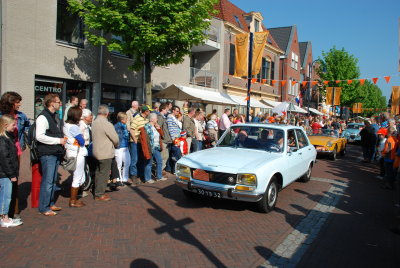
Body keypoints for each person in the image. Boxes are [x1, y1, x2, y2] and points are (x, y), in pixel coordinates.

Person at [0, 91, 30, 221]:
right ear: (10, 103)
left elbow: (28, 129)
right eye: (17, 102)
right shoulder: (2, 116)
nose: (20, 104)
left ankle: (13, 209)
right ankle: (5, 212)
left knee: (13, 179)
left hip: (16, 150)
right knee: (4, 179)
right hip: (4, 149)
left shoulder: (21, 116)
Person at [36, 93, 66, 216]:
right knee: (47, 181)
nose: (60, 104)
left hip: (55, 152)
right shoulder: (43, 117)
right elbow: (39, 136)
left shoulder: (54, 117)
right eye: (58, 102)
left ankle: (50, 203)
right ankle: (44, 207)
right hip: (47, 153)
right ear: (51, 103)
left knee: (52, 181)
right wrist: (58, 140)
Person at [91, 104, 119, 201]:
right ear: (107, 113)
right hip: (105, 152)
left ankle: (97, 191)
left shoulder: (94, 122)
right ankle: (99, 194)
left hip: (96, 151)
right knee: (104, 174)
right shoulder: (106, 124)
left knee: (98, 172)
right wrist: (115, 145)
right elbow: (115, 139)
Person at [0, 115, 22, 227]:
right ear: (5, 125)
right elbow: (5, 159)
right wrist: (11, 174)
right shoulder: (3, 140)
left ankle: (6, 217)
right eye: (13, 124)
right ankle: (4, 218)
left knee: (6, 195)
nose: (15, 126)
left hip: (6, 173)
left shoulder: (8, 138)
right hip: (5, 174)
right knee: (5, 196)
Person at [63, 106, 88, 208]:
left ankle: (74, 198)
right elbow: (81, 141)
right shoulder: (74, 127)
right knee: (77, 177)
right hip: (77, 153)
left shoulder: (66, 125)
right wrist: (82, 137)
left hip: (71, 151)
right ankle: (73, 200)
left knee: (78, 176)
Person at [140, 113, 166, 183]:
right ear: (152, 119)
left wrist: (159, 128)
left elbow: (162, 135)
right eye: (156, 118)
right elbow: (144, 140)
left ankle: (159, 176)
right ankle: (147, 178)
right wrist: (146, 150)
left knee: (159, 161)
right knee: (149, 163)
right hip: (150, 148)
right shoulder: (146, 127)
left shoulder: (155, 126)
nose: (157, 119)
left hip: (156, 147)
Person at [132, 105, 151, 182]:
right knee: (135, 159)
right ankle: (133, 175)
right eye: (149, 111)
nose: (150, 112)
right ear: (146, 112)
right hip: (135, 142)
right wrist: (134, 140)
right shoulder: (137, 118)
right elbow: (131, 129)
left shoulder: (146, 119)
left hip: (143, 142)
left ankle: (140, 175)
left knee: (141, 159)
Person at [114, 112, 131, 185]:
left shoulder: (124, 125)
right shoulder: (117, 126)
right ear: (121, 119)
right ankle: (119, 179)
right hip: (119, 147)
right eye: (126, 118)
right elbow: (118, 137)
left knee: (127, 162)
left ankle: (125, 178)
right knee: (119, 164)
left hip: (125, 146)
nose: (127, 119)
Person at [166, 105, 181, 172]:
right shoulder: (170, 118)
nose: (178, 112)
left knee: (175, 153)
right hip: (174, 138)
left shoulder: (174, 117)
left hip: (177, 137)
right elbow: (170, 128)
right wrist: (173, 138)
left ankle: (173, 169)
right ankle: (174, 170)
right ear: (173, 111)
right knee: (176, 153)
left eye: (178, 111)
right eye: (177, 111)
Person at [157, 103, 172, 171]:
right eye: (166, 109)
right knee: (163, 156)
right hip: (163, 140)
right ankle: (159, 172)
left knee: (166, 156)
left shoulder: (163, 117)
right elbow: (158, 128)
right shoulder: (160, 117)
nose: (167, 111)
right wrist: (162, 136)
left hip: (165, 139)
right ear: (163, 109)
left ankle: (160, 171)